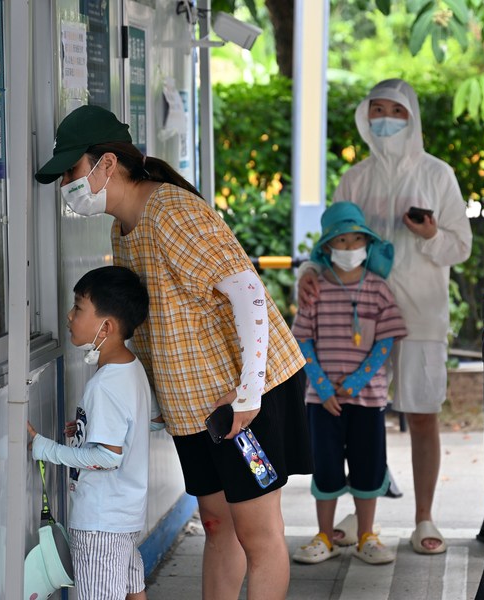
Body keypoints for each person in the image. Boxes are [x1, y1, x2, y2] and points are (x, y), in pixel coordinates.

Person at [35, 105, 312, 600]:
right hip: (195, 406)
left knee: (257, 533)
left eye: (72, 171)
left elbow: (247, 290)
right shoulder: (122, 230)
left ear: (107, 165)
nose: (67, 186)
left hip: (244, 394)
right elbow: (148, 321)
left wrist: (248, 395)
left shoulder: (171, 212)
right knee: (216, 523)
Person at [298, 79, 472, 554]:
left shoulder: (438, 176)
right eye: (377, 109)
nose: (386, 119)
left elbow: (461, 246)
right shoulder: (355, 178)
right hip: (353, 322)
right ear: (365, 115)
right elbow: (332, 238)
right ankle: (363, 513)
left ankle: (424, 517)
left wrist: (433, 233)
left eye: (396, 110)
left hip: (420, 314)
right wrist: (312, 271)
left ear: (412, 117)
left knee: (421, 415)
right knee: (358, 415)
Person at [291, 202, 407, 565]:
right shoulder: (315, 290)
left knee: (368, 468)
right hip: (321, 402)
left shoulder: (378, 289)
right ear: (327, 247)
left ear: (368, 244)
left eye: (358, 239)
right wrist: (323, 387)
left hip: (367, 400)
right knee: (325, 470)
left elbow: (386, 342)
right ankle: (324, 535)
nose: (351, 246)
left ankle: (367, 535)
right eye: (342, 240)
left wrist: (356, 383)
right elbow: (302, 340)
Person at [27, 265, 152, 600]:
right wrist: (85, 430)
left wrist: (43, 448)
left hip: (100, 522)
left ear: (106, 326)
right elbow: (133, 426)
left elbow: (107, 458)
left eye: (78, 308)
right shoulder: (130, 368)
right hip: (122, 515)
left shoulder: (105, 386)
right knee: (131, 589)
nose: (69, 316)